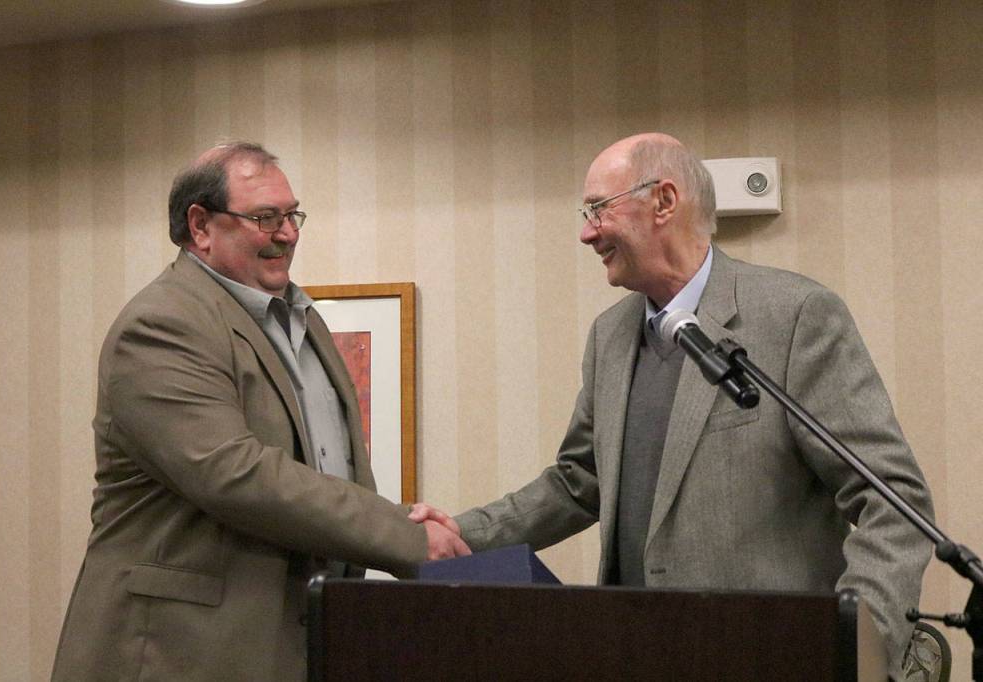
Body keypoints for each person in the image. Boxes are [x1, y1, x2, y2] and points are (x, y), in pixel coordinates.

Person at [412, 133, 934, 678]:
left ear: (663, 201)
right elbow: (578, 480)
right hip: (631, 654)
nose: (586, 232)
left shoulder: (795, 316)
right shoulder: (609, 336)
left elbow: (893, 501)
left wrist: (852, 642)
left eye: (597, 208)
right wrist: (461, 534)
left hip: (767, 658)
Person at [52, 142, 469, 681]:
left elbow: (329, 469)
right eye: (265, 217)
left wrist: (403, 524)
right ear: (200, 226)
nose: (288, 233)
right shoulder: (162, 324)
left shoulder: (301, 320)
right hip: (177, 656)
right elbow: (236, 474)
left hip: (290, 645)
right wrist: (407, 536)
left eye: (293, 215)